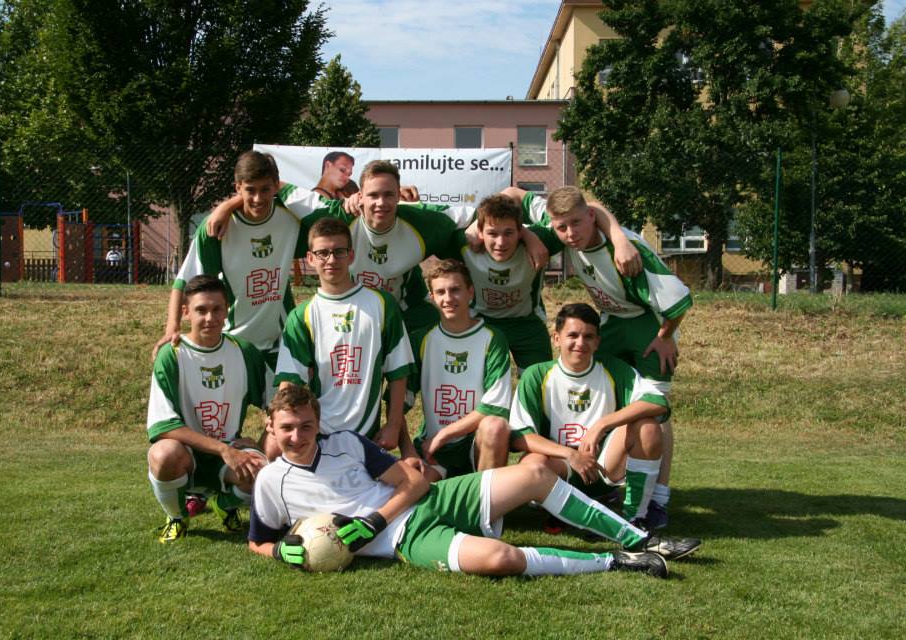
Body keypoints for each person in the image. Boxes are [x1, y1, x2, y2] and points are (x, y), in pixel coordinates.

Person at [248, 385, 702, 577]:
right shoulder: (271, 482)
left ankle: (643, 539)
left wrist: (372, 520)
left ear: (318, 422)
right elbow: (258, 541)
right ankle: (616, 561)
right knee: (502, 559)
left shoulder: (346, 442)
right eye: (287, 428)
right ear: (270, 427)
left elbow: (413, 484)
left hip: (434, 499)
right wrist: (281, 552)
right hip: (407, 539)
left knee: (536, 473)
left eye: (306, 426)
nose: (297, 436)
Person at [509, 186, 693, 530]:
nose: (569, 233)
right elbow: (515, 194)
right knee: (600, 387)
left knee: (652, 411)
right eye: (561, 227)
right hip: (611, 321)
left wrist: (666, 336)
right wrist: (527, 235)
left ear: (591, 217)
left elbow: (679, 300)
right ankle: (602, 484)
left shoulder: (626, 250)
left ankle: (656, 499)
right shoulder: (565, 224)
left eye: (576, 224)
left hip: (648, 323)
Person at [152, 151, 348, 407]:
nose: (258, 199)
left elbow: (333, 217)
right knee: (223, 417)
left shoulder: (290, 217)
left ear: (276, 186)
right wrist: (172, 328)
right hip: (233, 341)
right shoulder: (216, 228)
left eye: (266, 189)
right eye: (250, 190)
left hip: (279, 341)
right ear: (237, 188)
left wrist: (232, 202)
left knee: (288, 415)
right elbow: (185, 281)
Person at [205, 159, 477, 334]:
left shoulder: (423, 220)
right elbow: (275, 187)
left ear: (398, 196)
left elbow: (480, 215)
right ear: (360, 196)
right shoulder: (337, 216)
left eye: (388, 195)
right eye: (373, 195)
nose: (380, 203)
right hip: (349, 316)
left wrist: (476, 229)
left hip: (402, 314)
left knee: (426, 356)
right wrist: (227, 205)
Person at [510, 303, 671, 531]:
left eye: (588, 337)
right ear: (556, 339)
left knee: (648, 427)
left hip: (602, 468)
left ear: (597, 342)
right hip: (561, 467)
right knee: (531, 463)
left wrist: (602, 425)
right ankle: (562, 511)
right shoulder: (537, 375)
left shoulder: (614, 369)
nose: (580, 343)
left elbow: (658, 402)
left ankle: (635, 518)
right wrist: (571, 454)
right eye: (572, 335)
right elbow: (520, 437)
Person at [274, 218, 417, 460]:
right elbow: (289, 382)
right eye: (323, 253)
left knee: (404, 482)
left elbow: (398, 372)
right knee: (271, 449)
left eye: (339, 252)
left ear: (351, 255)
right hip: (319, 435)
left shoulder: (382, 304)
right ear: (310, 259)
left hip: (368, 437)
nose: (331, 260)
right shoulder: (302, 315)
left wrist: (393, 425)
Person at [146, 275, 268, 543]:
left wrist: (259, 442)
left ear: (227, 311)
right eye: (201, 310)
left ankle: (223, 505)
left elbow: (275, 405)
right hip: (187, 453)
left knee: (262, 471)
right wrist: (224, 449)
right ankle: (177, 517)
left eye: (217, 309)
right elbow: (163, 426)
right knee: (163, 454)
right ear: (186, 312)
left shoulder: (244, 352)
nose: (210, 318)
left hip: (228, 450)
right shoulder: (172, 355)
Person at [407, 259, 512, 482]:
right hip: (434, 448)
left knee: (496, 426)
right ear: (432, 297)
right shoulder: (421, 339)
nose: (448, 298)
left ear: (470, 292)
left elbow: (495, 407)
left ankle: (486, 502)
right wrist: (407, 449)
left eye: (455, 290)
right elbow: (400, 400)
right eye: (440, 292)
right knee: (412, 490)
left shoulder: (493, 338)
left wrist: (445, 434)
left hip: (475, 443)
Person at [442, 194, 555, 372]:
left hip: (527, 325)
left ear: (520, 231)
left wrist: (530, 235)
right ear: (479, 232)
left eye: (509, 233)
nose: (500, 243)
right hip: (481, 322)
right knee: (476, 382)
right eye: (492, 233)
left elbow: (566, 216)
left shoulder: (540, 240)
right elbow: (430, 221)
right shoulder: (463, 242)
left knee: (538, 381)